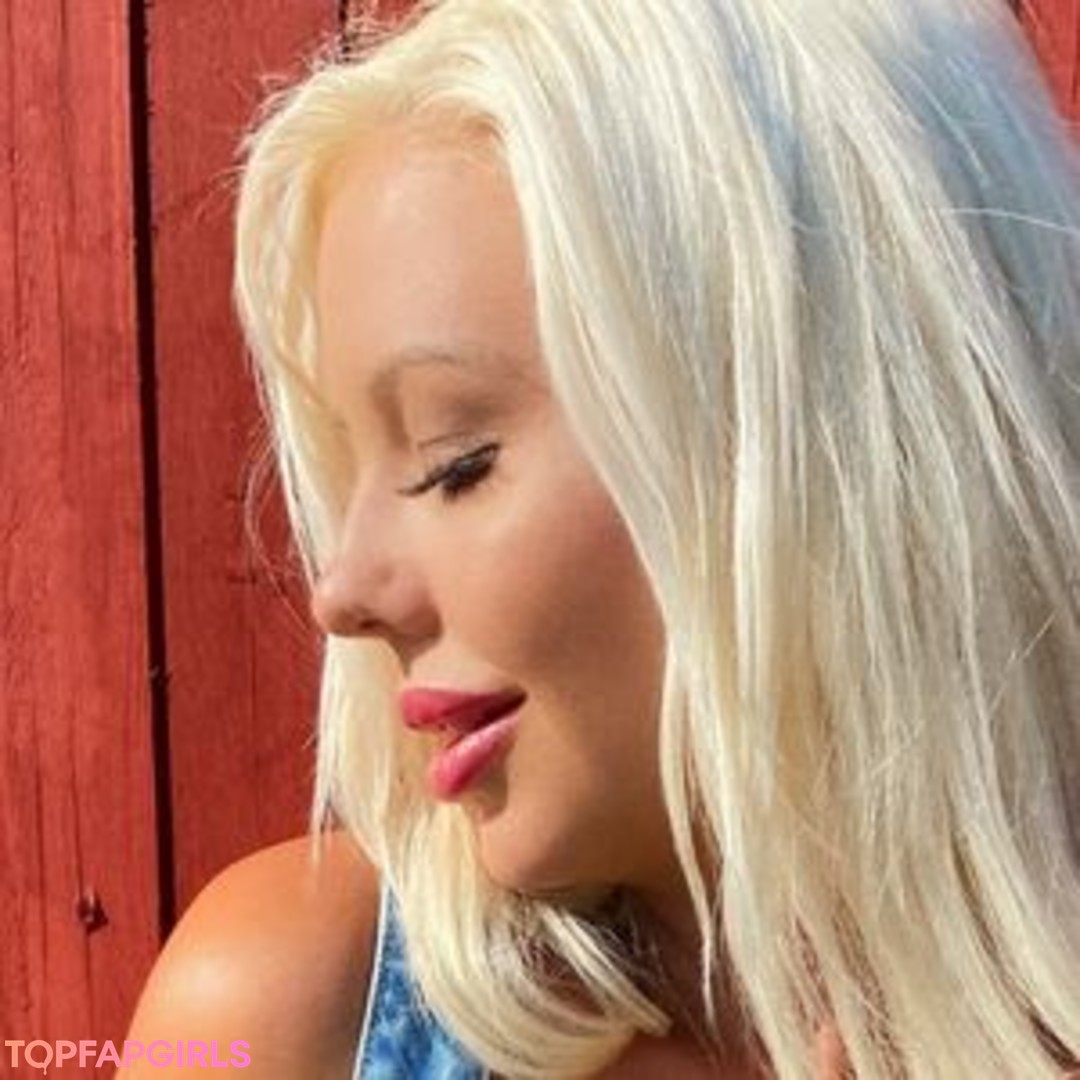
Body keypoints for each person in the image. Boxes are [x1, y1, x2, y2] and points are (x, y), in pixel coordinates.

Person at [122, 0, 1080, 1076]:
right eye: (357, 468)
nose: (343, 590)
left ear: (818, 441)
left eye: (454, 462)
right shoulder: (289, 1012)